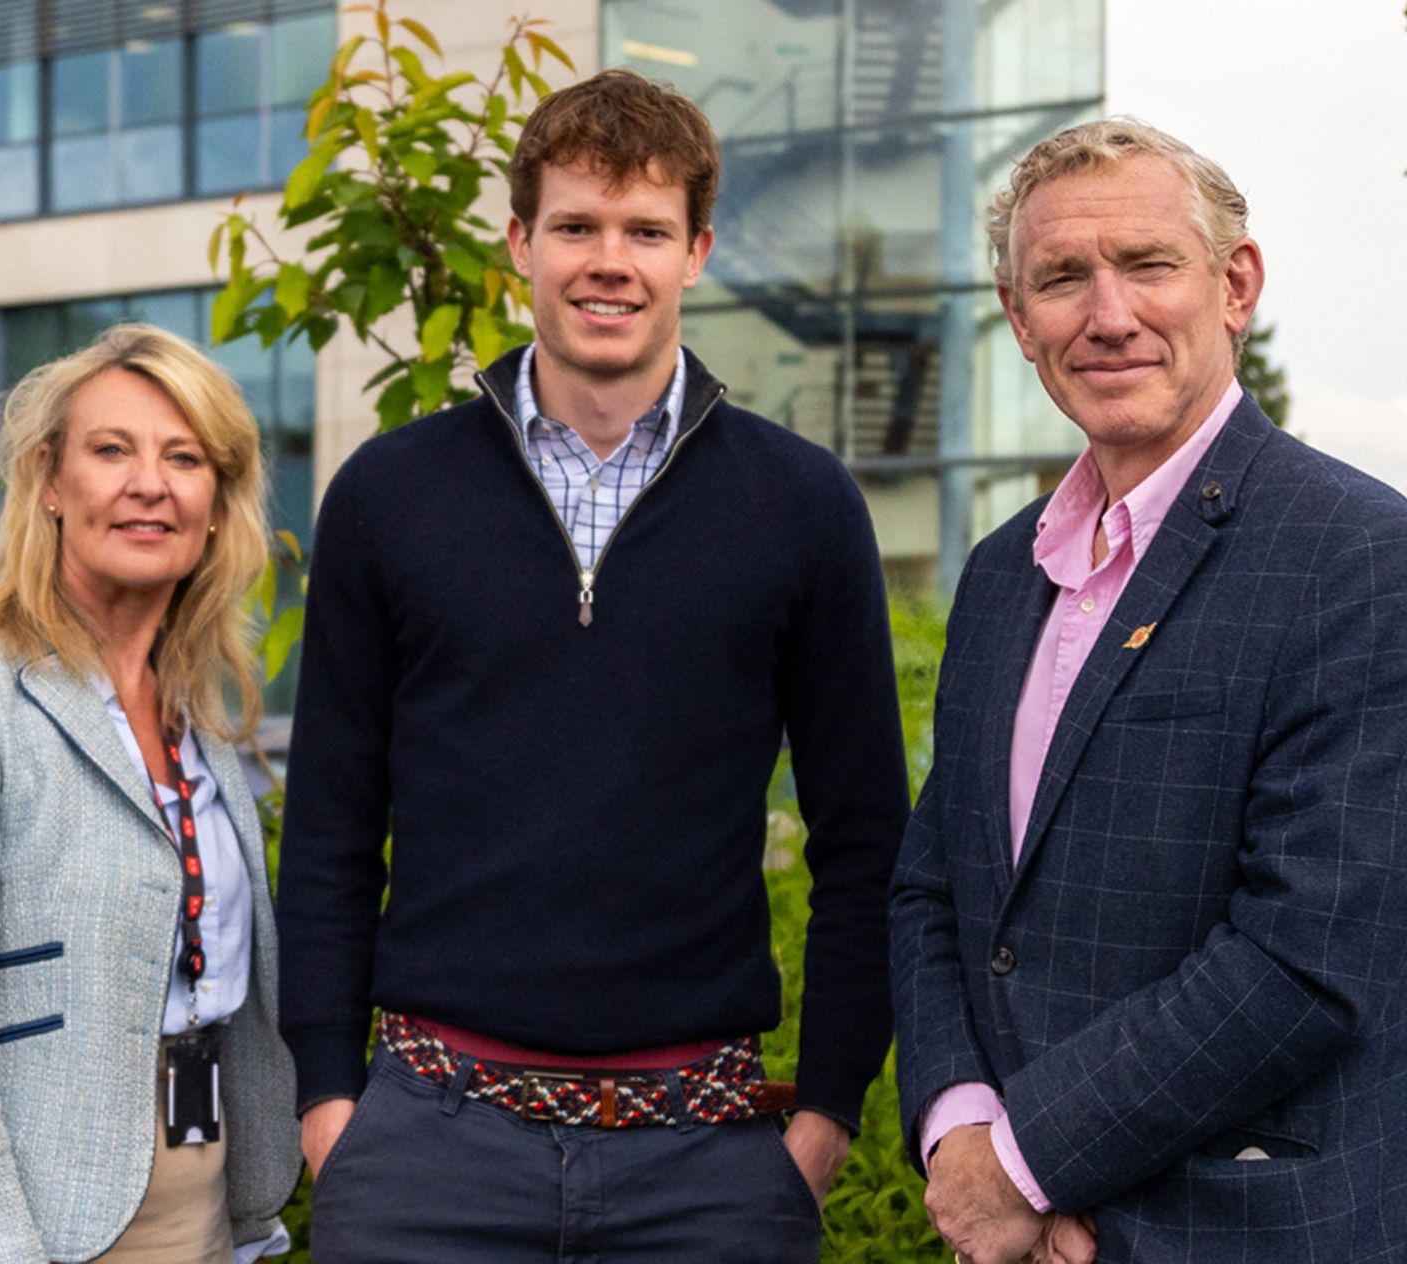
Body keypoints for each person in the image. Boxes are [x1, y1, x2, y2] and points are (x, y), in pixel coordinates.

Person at [274, 68, 911, 1261]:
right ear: (520, 243)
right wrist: (328, 1106)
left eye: (645, 231)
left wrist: (825, 1113)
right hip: (427, 1156)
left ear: (696, 252)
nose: (608, 261)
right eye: (575, 225)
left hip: (708, 1166)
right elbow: (328, 826)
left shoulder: (802, 505)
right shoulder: (388, 495)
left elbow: (866, 839)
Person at [889, 119, 1407, 1264]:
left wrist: (1023, 1164)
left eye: (1147, 263)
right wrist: (960, 1128)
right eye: (1061, 278)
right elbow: (933, 889)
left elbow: (1307, 958)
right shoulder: (1003, 574)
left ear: (1234, 284)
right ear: (1016, 318)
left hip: (1264, 1233)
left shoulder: (1354, 552)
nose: (1107, 315)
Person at [0, 324, 302, 1263]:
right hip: (16, 1219)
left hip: (199, 1209)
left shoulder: (197, 721)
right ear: (49, 480)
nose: (149, 484)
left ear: (217, 504)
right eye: (112, 450)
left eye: (185, 458)